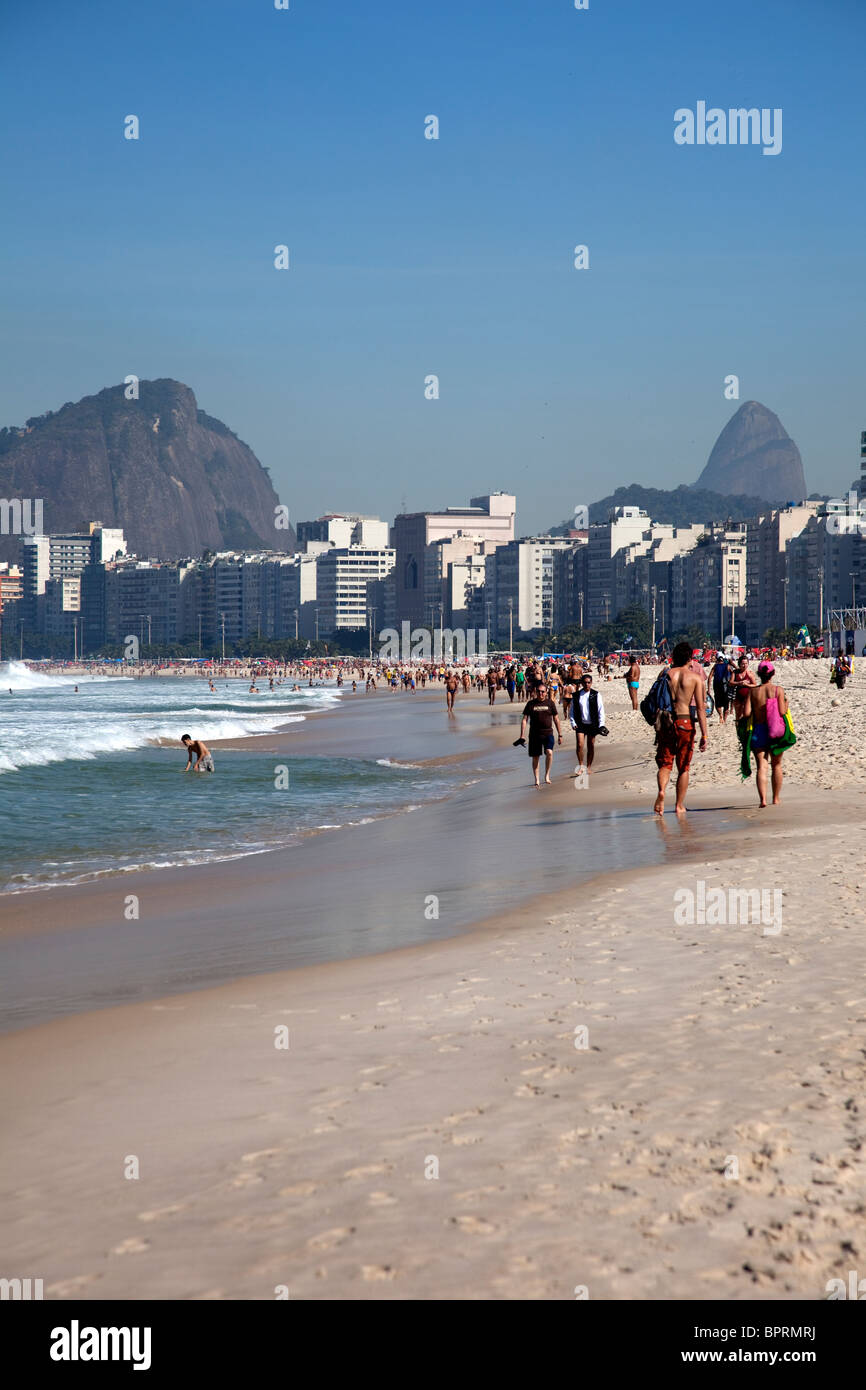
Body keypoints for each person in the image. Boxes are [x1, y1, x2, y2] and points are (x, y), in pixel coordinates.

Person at [653, 641, 708, 815]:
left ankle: (662, 791)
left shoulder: (666, 674)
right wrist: (705, 734)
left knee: (666, 762)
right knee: (683, 766)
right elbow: (700, 708)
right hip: (685, 722)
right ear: (690, 658)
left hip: (667, 722)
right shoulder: (695, 678)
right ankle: (679, 805)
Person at [743, 661, 788, 807]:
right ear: (772, 674)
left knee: (762, 766)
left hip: (759, 730)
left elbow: (746, 713)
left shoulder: (753, 692)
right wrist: (787, 704)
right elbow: (781, 711)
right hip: (774, 729)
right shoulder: (778, 690)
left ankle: (762, 800)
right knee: (776, 765)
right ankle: (775, 798)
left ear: (759, 675)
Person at [517, 681, 562, 787]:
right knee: (535, 757)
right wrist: (522, 735)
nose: (540, 693)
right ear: (536, 692)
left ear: (546, 692)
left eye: (543, 692)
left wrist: (560, 734)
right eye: (539, 691)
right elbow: (524, 719)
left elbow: (556, 719)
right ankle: (536, 779)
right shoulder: (530, 704)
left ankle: (547, 775)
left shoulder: (550, 703)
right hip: (534, 735)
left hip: (548, 733)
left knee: (549, 752)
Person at [570, 671, 605, 775]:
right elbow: (572, 711)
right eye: (585, 682)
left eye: (589, 682)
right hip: (580, 723)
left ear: (591, 683)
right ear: (581, 683)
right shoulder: (576, 695)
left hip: (592, 723)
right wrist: (572, 722)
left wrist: (601, 724)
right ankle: (581, 766)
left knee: (591, 745)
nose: (587, 684)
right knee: (580, 745)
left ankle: (588, 767)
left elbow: (601, 710)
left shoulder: (596, 694)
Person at [710, 652, 731, 724]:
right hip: (725, 686)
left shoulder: (715, 666)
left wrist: (709, 688)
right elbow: (733, 672)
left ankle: (720, 715)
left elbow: (710, 677)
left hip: (717, 686)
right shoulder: (727, 665)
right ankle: (724, 719)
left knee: (718, 703)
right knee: (726, 704)